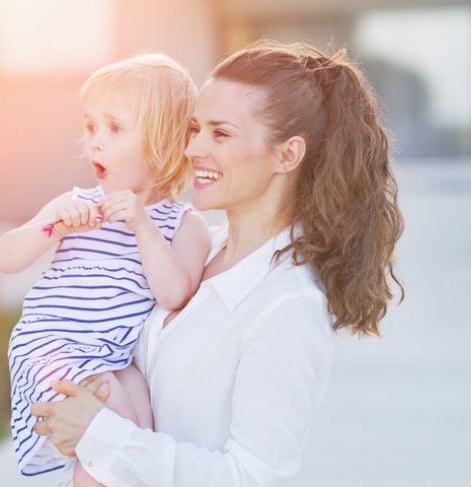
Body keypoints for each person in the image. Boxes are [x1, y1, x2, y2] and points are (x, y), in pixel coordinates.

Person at [31, 41, 405, 486]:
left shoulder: (287, 306)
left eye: (220, 134)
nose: (193, 150)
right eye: (194, 129)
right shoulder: (193, 249)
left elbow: (250, 478)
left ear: (287, 155)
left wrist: (99, 435)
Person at [0, 53, 211, 484]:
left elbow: (173, 295)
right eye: (91, 126)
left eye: (114, 128)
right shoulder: (77, 203)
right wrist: (53, 227)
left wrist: (143, 227)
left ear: (162, 142)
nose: (94, 141)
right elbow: (6, 257)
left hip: (113, 357)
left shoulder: (183, 225)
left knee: (140, 437)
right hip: (56, 346)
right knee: (110, 435)